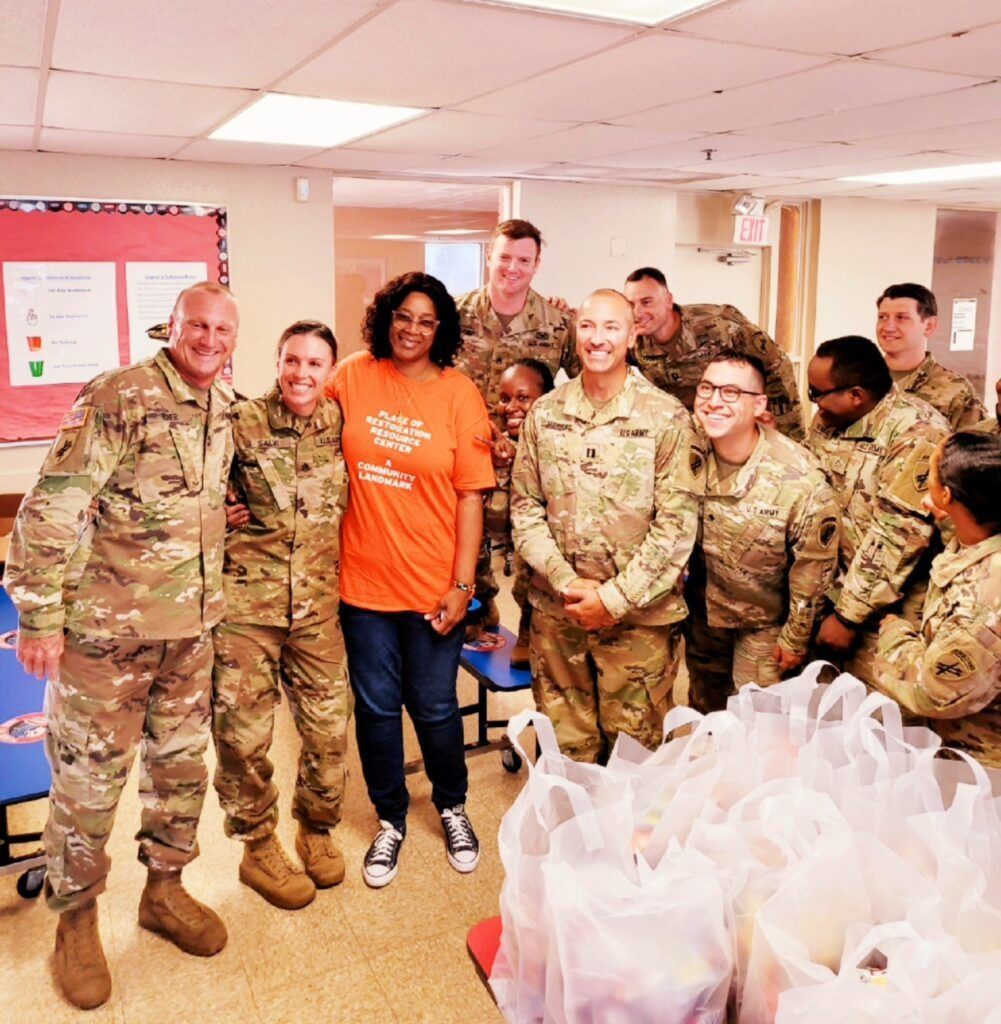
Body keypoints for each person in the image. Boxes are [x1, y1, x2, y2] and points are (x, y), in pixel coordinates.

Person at [3, 282, 236, 1009]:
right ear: (172, 326)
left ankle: (163, 892)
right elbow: (52, 504)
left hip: (190, 638)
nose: (208, 338)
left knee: (178, 774)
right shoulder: (120, 394)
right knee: (87, 785)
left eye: (223, 328)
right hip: (107, 640)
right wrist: (39, 616)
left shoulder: (224, 408)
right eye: (196, 324)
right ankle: (74, 921)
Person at [329, 272, 494, 888]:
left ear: (441, 329)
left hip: (433, 586)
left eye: (427, 321)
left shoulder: (459, 394)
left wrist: (463, 587)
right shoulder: (352, 375)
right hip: (363, 583)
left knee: (432, 702)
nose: (413, 330)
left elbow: (471, 498)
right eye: (404, 316)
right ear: (386, 317)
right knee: (375, 709)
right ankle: (391, 817)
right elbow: (298, 434)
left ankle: (451, 805)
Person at [511, 289, 704, 762]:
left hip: (638, 623)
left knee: (634, 755)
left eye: (611, 327)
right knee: (565, 750)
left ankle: (627, 841)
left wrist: (612, 600)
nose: (598, 339)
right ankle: (572, 836)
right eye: (588, 327)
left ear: (633, 334)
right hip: (560, 616)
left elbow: (676, 527)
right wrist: (566, 581)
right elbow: (524, 508)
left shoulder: (666, 418)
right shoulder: (547, 413)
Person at [213, 320, 350, 911]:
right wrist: (217, 509)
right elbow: (193, 482)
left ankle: (315, 829)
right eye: (291, 360)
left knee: (327, 731)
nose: (302, 374)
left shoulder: (344, 423)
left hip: (318, 607)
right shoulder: (239, 425)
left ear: (330, 370)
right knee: (244, 738)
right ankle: (258, 845)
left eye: (315, 363)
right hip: (248, 609)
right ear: (276, 362)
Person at [685, 350, 840, 712]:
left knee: (757, 718)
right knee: (705, 710)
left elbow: (813, 569)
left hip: (763, 622)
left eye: (731, 392)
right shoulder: (684, 448)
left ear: (759, 405)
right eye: (706, 388)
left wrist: (795, 638)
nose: (713, 401)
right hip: (704, 614)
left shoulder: (797, 477)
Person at [454, 219, 576, 640]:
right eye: (504, 257)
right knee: (467, 547)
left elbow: (581, 390)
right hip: (466, 451)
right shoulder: (454, 314)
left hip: (530, 462)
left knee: (532, 544)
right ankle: (476, 615)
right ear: (490, 256)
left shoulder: (559, 323)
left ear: (537, 264)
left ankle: (530, 626)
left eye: (523, 260)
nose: (512, 268)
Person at [805, 335, 949, 684]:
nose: (813, 404)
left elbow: (898, 535)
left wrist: (848, 617)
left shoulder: (917, 432)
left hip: (890, 611)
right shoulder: (829, 420)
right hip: (831, 595)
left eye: (817, 393)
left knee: (882, 720)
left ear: (856, 395)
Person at [875, 431, 1001, 767]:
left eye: (929, 479)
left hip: (982, 763)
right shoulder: (975, 532)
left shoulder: (984, 598)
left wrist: (894, 634)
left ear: (945, 495)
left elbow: (935, 692)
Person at [623, 266, 804, 441]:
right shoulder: (632, 338)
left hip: (733, 420)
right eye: (630, 304)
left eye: (647, 302)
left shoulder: (719, 325)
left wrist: (787, 432)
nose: (637, 312)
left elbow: (776, 364)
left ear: (668, 300)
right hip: (691, 430)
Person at [481, 358, 555, 668]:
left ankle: (530, 626)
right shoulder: (495, 444)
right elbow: (495, 521)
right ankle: (482, 608)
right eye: (504, 398)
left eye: (523, 398)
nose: (510, 407)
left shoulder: (559, 442)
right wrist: (500, 469)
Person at [875, 282, 986, 430]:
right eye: (882, 317)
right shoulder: (856, 379)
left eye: (901, 317)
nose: (888, 327)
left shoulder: (956, 392)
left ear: (929, 326)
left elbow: (975, 450)